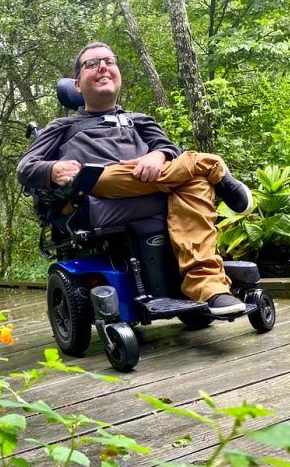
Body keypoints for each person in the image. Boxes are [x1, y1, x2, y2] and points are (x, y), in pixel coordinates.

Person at [17, 42, 254, 315]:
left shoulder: (140, 120)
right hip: (99, 188)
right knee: (97, 173)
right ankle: (216, 169)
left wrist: (158, 157)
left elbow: (170, 150)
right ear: (78, 85)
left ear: (118, 73)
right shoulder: (62, 127)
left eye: (109, 61)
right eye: (91, 64)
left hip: (153, 185)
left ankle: (209, 288)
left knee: (196, 183)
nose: (103, 67)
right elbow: (26, 167)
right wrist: (52, 170)